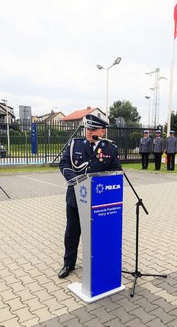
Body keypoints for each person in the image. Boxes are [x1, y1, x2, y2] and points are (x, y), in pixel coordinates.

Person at [58, 114, 122, 278]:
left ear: (102, 131)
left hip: (99, 201)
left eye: (93, 129)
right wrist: (75, 179)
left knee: (97, 233)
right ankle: (69, 264)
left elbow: (116, 172)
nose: (88, 132)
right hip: (76, 198)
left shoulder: (110, 148)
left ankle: (97, 263)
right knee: (72, 232)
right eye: (87, 128)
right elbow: (64, 163)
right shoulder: (75, 144)